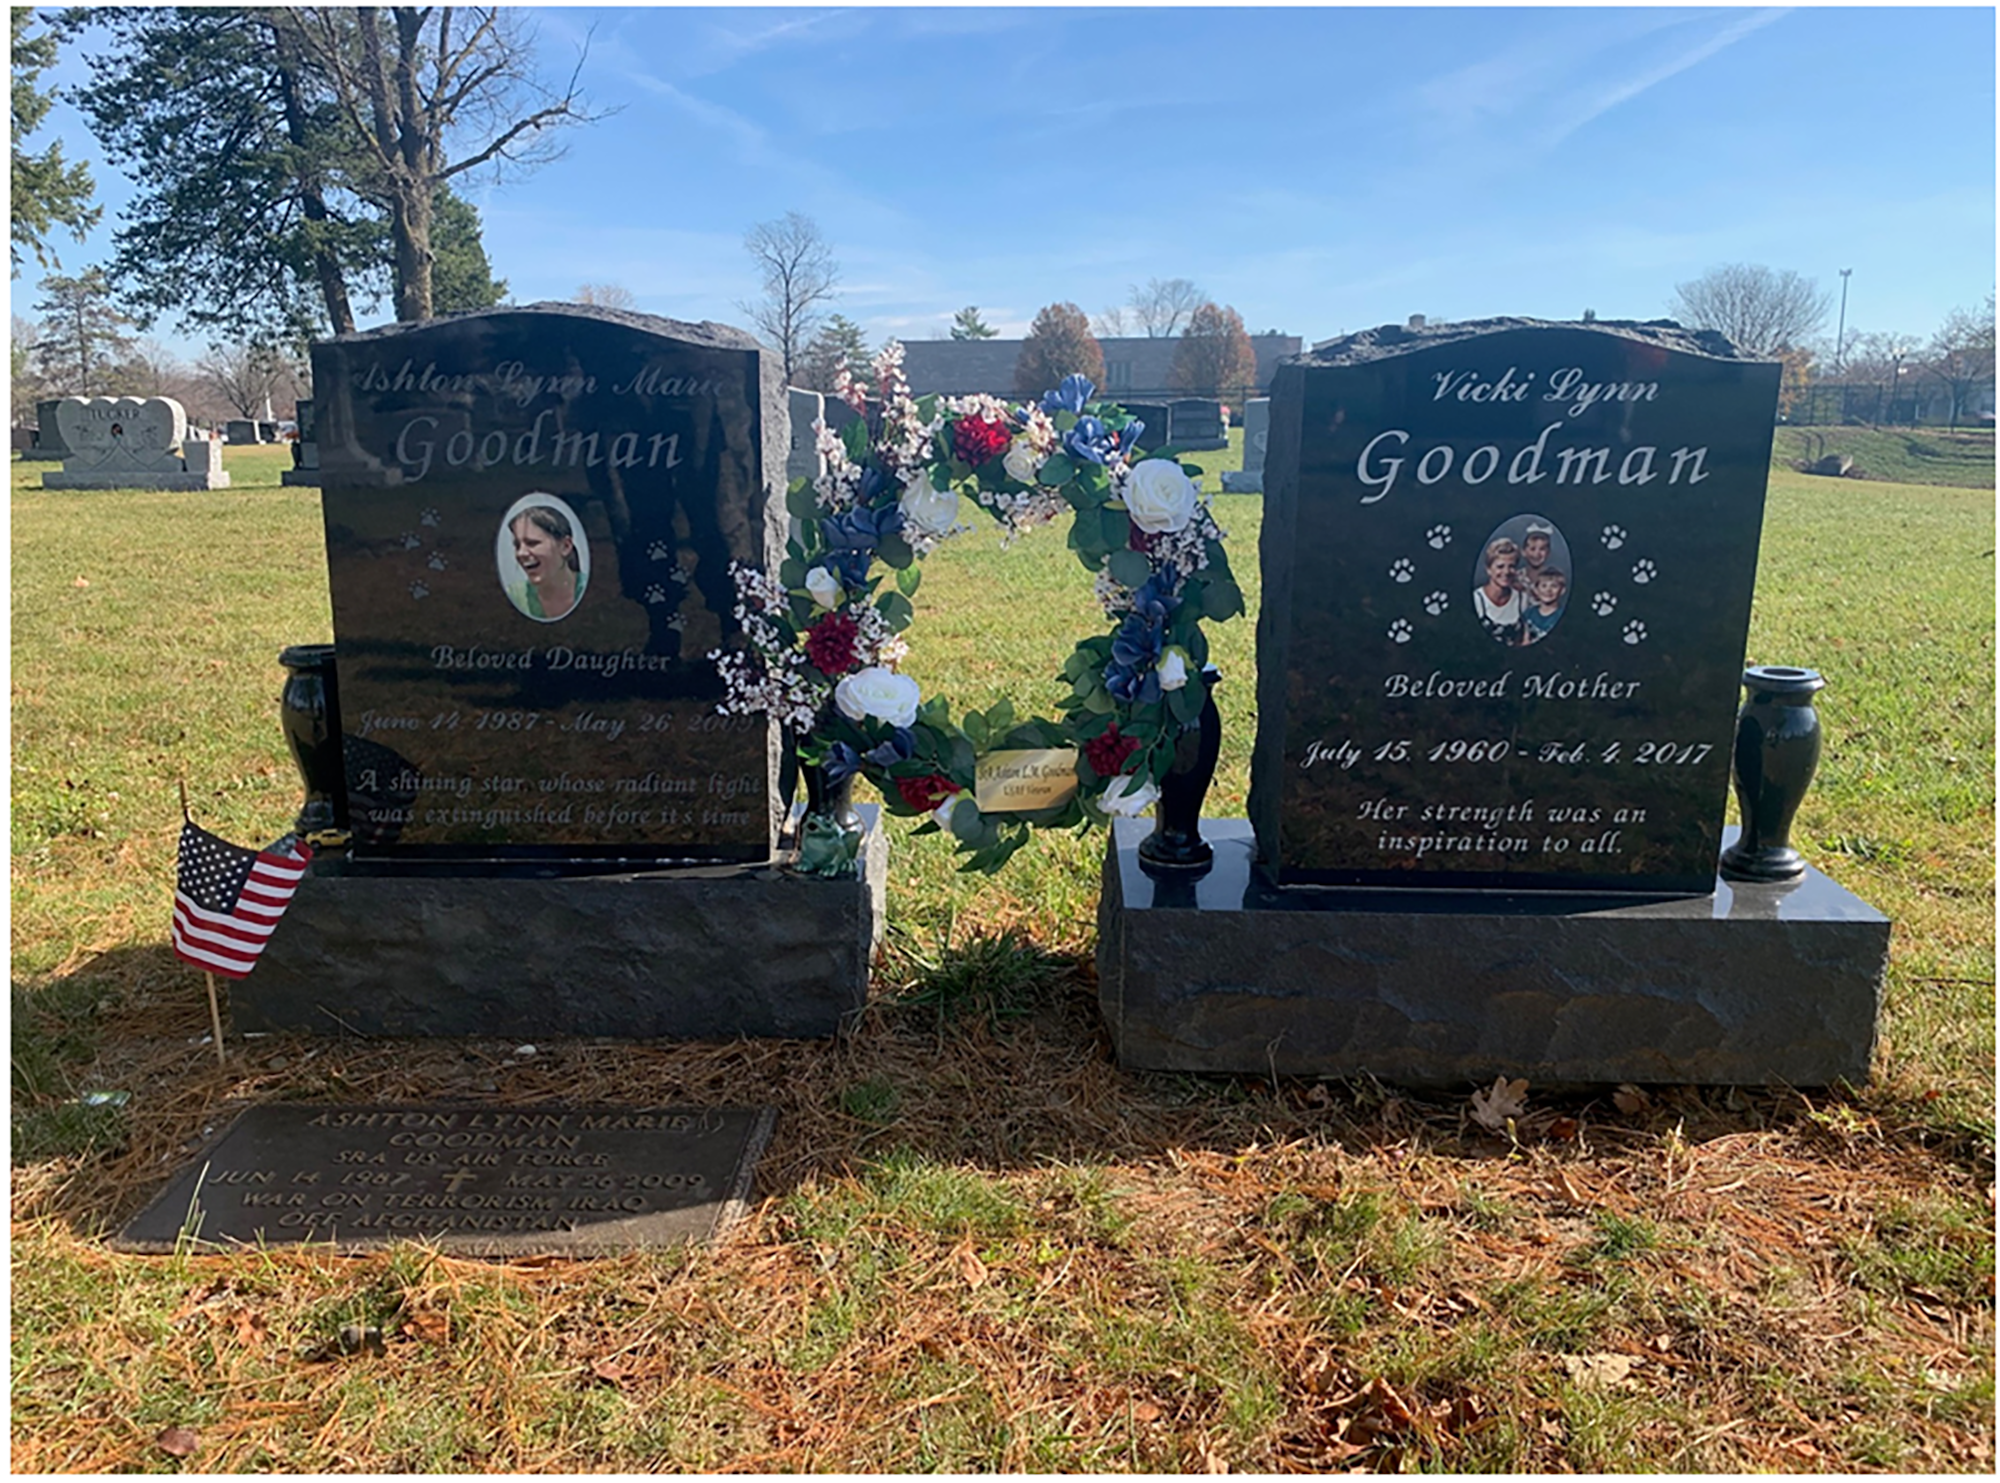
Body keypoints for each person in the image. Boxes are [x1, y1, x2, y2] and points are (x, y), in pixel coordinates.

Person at [510, 505, 584, 620]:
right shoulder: (514, 596)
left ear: (565, 546)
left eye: (532, 543)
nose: (521, 553)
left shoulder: (591, 591)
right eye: (517, 545)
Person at [1473, 537, 1523, 643]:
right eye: (1500, 566)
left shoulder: (1522, 599)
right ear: (1489, 570)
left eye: (1512, 566)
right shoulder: (1477, 599)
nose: (1506, 572)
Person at [1520, 566, 1567, 645]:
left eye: (1554, 586)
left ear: (1562, 590)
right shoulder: (1529, 613)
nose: (1548, 590)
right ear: (1536, 590)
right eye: (1544, 586)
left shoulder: (1561, 616)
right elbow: (1524, 639)